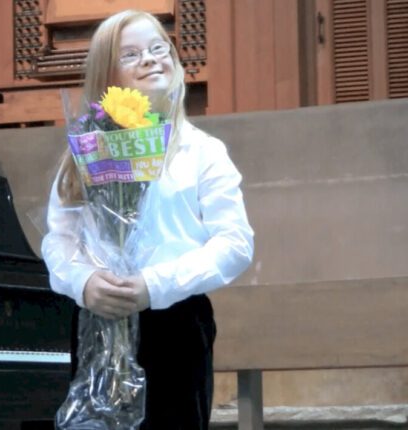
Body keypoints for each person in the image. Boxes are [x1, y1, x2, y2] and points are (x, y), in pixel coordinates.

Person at [40, 10, 254, 430]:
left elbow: (235, 244)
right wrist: (84, 281)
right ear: (107, 74)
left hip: (174, 321)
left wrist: (153, 286)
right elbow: (59, 240)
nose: (152, 59)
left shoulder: (203, 151)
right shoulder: (85, 151)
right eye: (132, 54)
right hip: (97, 314)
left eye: (159, 47)